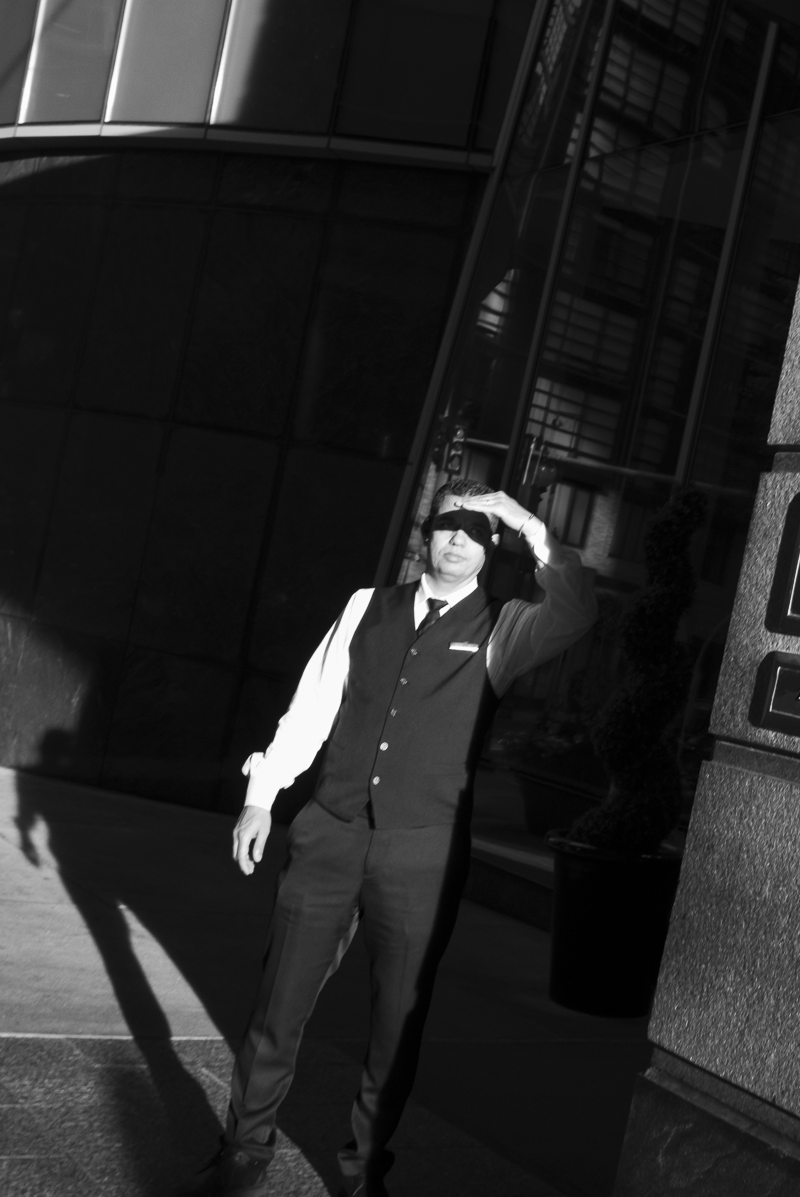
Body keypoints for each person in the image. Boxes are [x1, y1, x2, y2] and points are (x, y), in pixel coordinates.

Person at [183, 479, 596, 1197]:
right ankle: (241, 1157)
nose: (459, 537)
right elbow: (310, 708)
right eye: (448, 523)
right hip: (329, 835)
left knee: (395, 1026)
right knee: (277, 1007)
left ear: (491, 548)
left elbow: (577, 607)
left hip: (423, 854)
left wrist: (525, 521)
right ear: (425, 535)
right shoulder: (364, 607)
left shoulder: (505, 628)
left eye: (476, 529)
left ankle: (363, 1174)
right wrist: (261, 798)